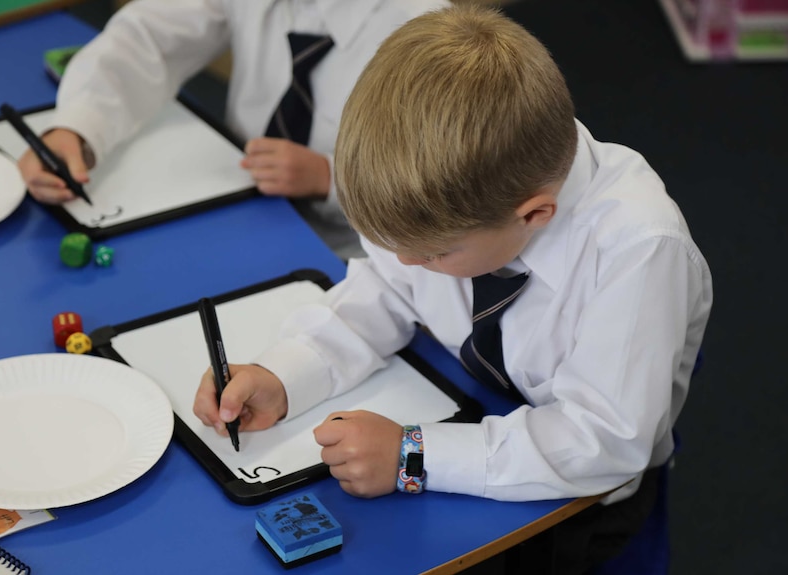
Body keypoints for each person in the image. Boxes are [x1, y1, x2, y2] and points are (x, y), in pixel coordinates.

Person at [193, 5, 713, 571]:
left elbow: (604, 444)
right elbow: (380, 293)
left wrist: (412, 456)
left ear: (535, 214)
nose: (406, 263)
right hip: (468, 408)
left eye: (433, 254)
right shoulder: (453, 221)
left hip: (577, 499)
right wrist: (283, 374)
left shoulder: (638, 252)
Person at [17, 0, 449, 260]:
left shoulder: (423, 30)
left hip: (357, 253)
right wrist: (78, 125)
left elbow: (442, 187)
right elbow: (148, 38)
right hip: (236, 204)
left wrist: (329, 178)